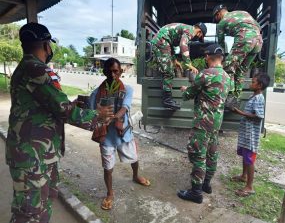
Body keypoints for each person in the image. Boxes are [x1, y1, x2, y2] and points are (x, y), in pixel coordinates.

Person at [5, 22, 114, 223]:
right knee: (28, 213)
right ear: (47, 45)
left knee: (42, 205)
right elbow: (63, 110)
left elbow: (49, 105)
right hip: (32, 156)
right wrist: (96, 115)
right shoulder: (36, 69)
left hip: (36, 153)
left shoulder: (26, 67)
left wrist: (70, 105)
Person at [89, 57, 150, 210]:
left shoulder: (127, 89)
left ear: (121, 72)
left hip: (123, 132)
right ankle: (109, 193)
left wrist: (116, 117)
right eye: (109, 71)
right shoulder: (97, 93)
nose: (112, 75)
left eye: (116, 71)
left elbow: (125, 107)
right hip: (106, 136)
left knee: (134, 158)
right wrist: (96, 113)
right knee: (108, 167)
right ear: (104, 72)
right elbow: (90, 111)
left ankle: (135, 176)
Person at [177, 44, 231, 204]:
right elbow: (212, 93)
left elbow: (189, 94)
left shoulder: (205, 74)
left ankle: (196, 192)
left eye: (205, 56)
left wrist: (184, 90)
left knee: (197, 154)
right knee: (212, 153)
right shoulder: (227, 77)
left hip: (203, 121)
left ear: (208, 57)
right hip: (216, 122)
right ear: (221, 58)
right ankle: (206, 184)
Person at [151, 22, 207, 110]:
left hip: (163, 41)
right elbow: (183, 45)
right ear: (199, 32)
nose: (197, 38)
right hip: (161, 41)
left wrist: (175, 60)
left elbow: (170, 43)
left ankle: (167, 98)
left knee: (169, 68)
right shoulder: (190, 31)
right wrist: (189, 64)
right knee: (168, 72)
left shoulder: (186, 29)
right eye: (200, 37)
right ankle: (167, 100)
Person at [231, 73, 270, 197]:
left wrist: (240, 112)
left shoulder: (259, 98)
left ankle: (249, 187)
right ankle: (243, 176)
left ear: (259, 85)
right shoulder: (253, 95)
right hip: (246, 133)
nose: (250, 83)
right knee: (245, 155)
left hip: (251, 135)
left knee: (250, 159)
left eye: (253, 82)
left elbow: (258, 116)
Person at [213, 4, 263, 102]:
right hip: (259, 42)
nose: (217, 20)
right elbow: (258, 26)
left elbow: (221, 45)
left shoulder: (222, 23)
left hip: (245, 39)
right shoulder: (243, 12)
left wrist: (223, 60)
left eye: (216, 18)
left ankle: (230, 98)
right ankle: (236, 98)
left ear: (218, 14)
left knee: (228, 68)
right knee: (241, 70)